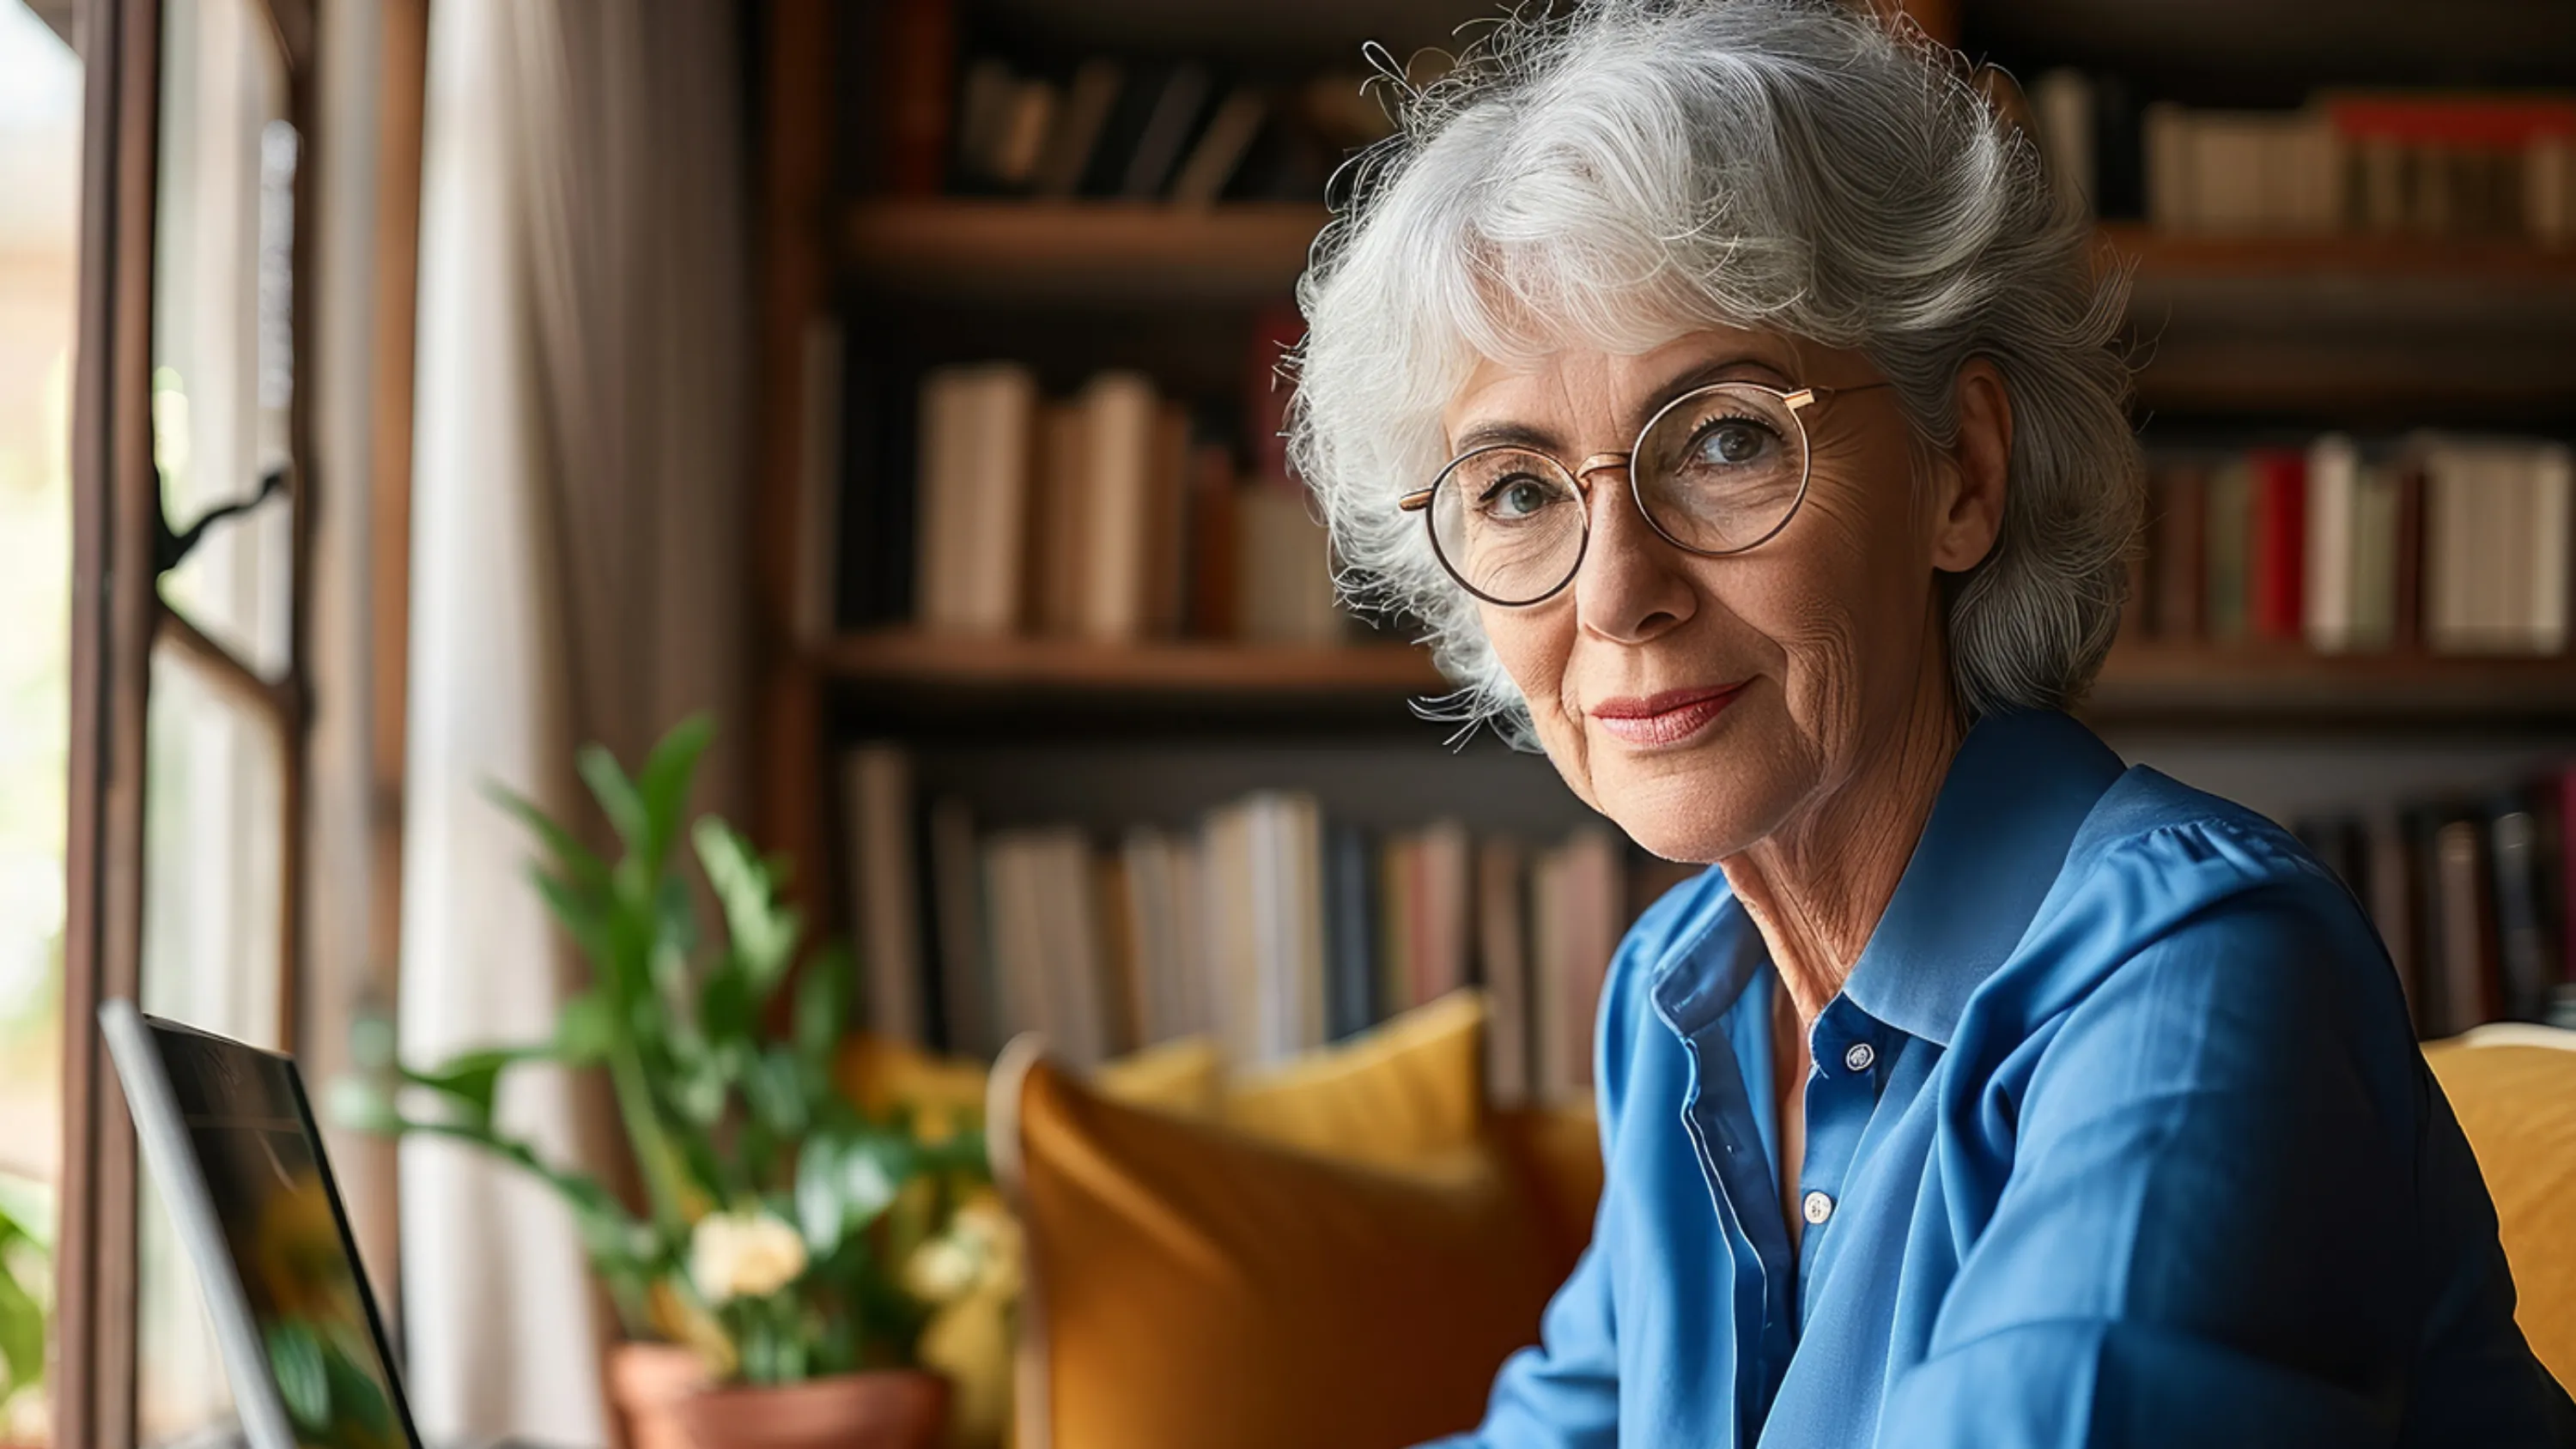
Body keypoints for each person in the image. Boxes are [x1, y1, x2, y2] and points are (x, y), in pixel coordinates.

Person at [1284, 2, 2576, 1444]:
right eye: (1519, 490)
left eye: (1724, 440)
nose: (1618, 593)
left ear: (1960, 472)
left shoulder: (2194, 972)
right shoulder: (1686, 995)